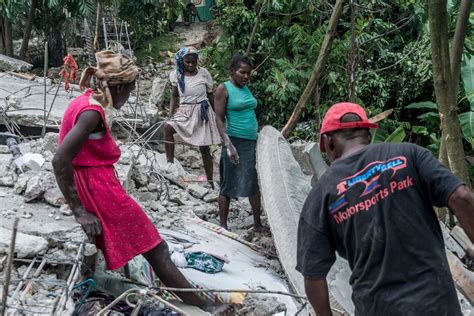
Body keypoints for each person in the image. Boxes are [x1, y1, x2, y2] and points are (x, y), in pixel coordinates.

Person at [53, 50, 231, 314]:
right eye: (130, 90)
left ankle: (102, 281)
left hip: (96, 181)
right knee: (156, 248)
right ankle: (205, 305)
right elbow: (60, 160)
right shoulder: (92, 113)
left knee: (151, 245)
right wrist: (80, 211)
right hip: (98, 187)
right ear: (120, 86)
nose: (129, 97)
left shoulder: (85, 102)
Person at [296, 102, 474, 315]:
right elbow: (462, 197)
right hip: (437, 304)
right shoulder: (411, 154)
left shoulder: (321, 194)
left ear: (328, 143)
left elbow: (313, 274)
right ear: (367, 135)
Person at [214, 54, 263, 231]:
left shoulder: (245, 88)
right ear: (232, 71)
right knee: (228, 182)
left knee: (252, 182)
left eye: (249, 73)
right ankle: (223, 225)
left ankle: (258, 224)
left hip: (250, 142)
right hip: (234, 141)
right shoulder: (224, 89)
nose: (246, 76)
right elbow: (219, 119)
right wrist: (228, 145)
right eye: (242, 72)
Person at [164, 47, 221, 188]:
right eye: (187, 62)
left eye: (193, 62)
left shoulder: (203, 74)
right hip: (184, 110)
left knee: (205, 149)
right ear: (182, 61)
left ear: (197, 61)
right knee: (167, 127)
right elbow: (174, 96)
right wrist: (171, 114)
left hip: (202, 112)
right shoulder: (177, 75)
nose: (190, 64)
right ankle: (170, 163)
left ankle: (210, 182)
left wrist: (218, 116)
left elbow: (210, 95)